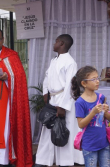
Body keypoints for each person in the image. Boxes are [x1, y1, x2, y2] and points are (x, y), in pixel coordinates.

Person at [0, 28, 33, 167]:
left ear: (3, 39)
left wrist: (8, 77)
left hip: (6, 102)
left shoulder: (11, 55)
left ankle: (4, 159)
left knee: (5, 128)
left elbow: (20, 76)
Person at [35, 34, 84, 167]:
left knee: (63, 130)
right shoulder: (54, 60)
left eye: (56, 41)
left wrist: (63, 106)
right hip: (52, 99)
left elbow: (70, 85)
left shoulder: (70, 62)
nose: (53, 44)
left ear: (61, 43)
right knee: (49, 129)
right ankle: (44, 160)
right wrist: (45, 92)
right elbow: (47, 77)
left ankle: (66, 161)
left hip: (63, 100)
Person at [72, 66, 110, 167]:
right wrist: (93, 112)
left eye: (98, 78)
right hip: (89, 145)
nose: (97, 81)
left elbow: (109, 118)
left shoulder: (101, 97)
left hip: (104, 142)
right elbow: (81, 124)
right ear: (84, 83)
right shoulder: (80, 102)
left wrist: (106, 111)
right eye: (93, 79)